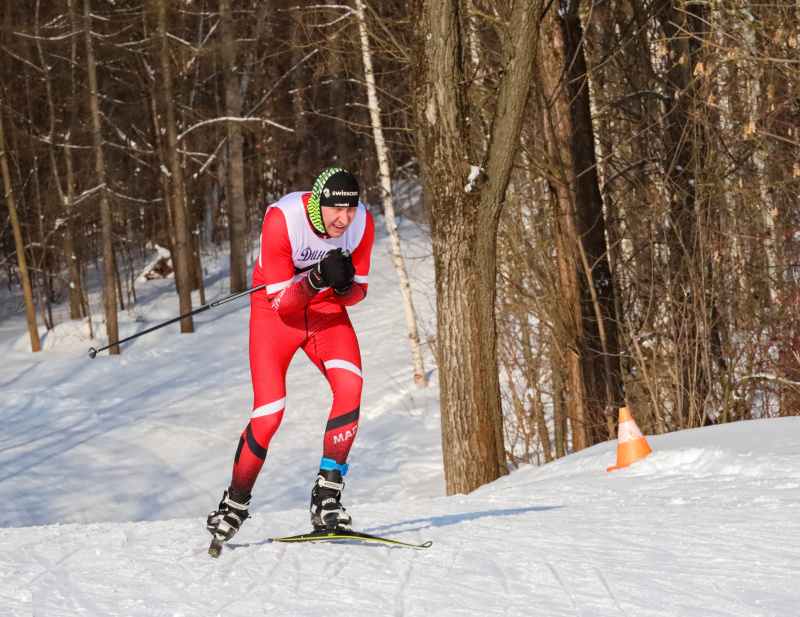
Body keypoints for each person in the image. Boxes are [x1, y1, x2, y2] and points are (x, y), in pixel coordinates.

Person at [207, 168, 375, 543]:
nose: (343, 219)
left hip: (324, 310)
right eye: (335, 209)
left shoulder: (363, 223)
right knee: (270, 412)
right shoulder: (283, 218)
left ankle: (327, 496)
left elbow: (358, 294)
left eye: (350, 210)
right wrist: (317, 277)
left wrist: (344, 284)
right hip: (274, 315)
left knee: (351, 385)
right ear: (318, 203)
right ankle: (234, 504)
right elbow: (281, 303)